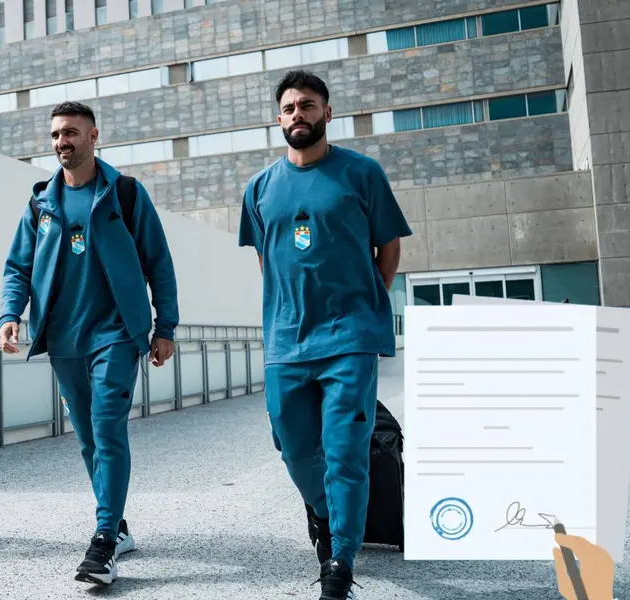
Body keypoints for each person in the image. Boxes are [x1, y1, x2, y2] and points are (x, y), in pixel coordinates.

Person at [237, 70, 412, 600]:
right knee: (292, 445)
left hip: (350, 337)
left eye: (307, 106)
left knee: (345, 450)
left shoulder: (361, 173)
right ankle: (323, 511)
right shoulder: (260, 188)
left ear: (327, 113)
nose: (298, 115)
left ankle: (341, 559)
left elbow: (389, 247)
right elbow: (271, 260)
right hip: (287, 340)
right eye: (289, 108)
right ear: (278, 118)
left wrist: (366, 302)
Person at [0, 101, 179, 586]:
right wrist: (10, 313)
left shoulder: (124, 194)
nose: (63, 142)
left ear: (94, 136)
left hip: (117, 333)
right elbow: (17, 266)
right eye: (57, 134)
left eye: (72, 133)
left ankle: (102, 541)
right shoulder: (41, 203)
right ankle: (116, 522)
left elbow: (158, 261)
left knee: (108, 427)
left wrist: (166, 327)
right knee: (87, 438)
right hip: (63, 338)